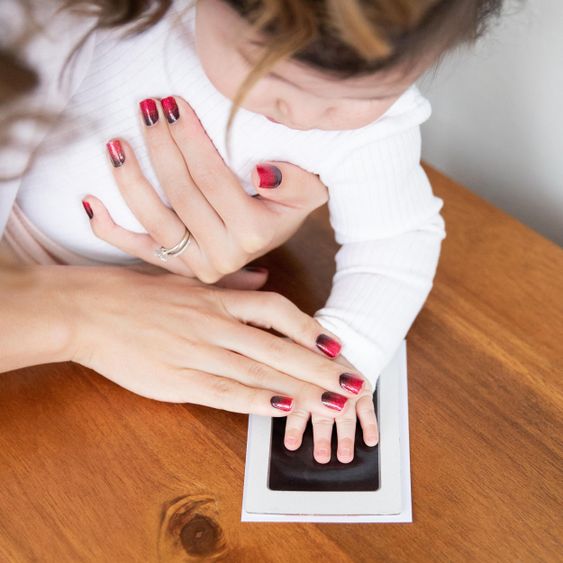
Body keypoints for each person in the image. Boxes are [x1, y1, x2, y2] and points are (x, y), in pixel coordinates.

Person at [0, 0, 502, 464]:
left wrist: (343, 361)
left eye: (361, 97)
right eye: (269, 72)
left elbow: (397, 242)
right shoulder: (130, 17)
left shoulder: (378, 129)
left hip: (139, 309)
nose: (303, 118)